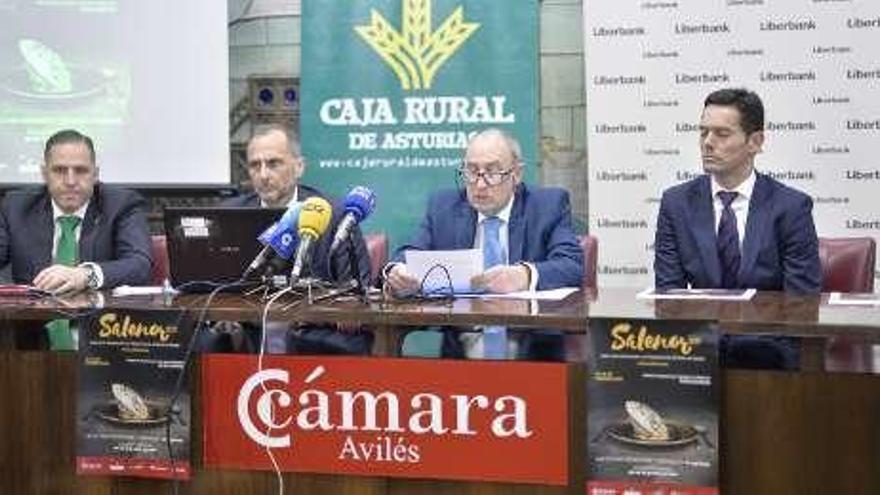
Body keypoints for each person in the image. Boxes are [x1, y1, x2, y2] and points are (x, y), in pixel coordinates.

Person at [653, 88, 821, 368]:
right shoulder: (676, 203)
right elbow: (670, 296)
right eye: (703, 132)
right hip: (699, 348)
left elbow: (801, 303)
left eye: (721, 134)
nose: (707, 143)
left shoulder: (791, 207)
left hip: (768, 349)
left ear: (755, 141)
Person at [385, 128, 584, 360]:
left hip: (533, 354)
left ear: (516, 174)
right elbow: (408, 255)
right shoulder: (444, 207)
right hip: (461, 358)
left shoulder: (547, 206)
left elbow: (572, 266)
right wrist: (397, 272)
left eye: (492, 172)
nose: (479, 184)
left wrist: (524, 276)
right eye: (471, 172)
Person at [217, 124, 372, 355]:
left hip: (312, 332)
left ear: (299, 167)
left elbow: (356, 291)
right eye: (254, 165)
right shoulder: (228, 214)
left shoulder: (335, 214)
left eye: (273, 163)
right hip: (249, 330)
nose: (263, 175)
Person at [0, 129, 152, 348]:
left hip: (105, 341)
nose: (70, 181)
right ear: (44, 174)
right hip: (30, 346)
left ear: (95, 173)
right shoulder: (16, 207)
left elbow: (140, 264)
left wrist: (85, 275)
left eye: (80, 170)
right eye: (60, 170)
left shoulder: (121, 205)